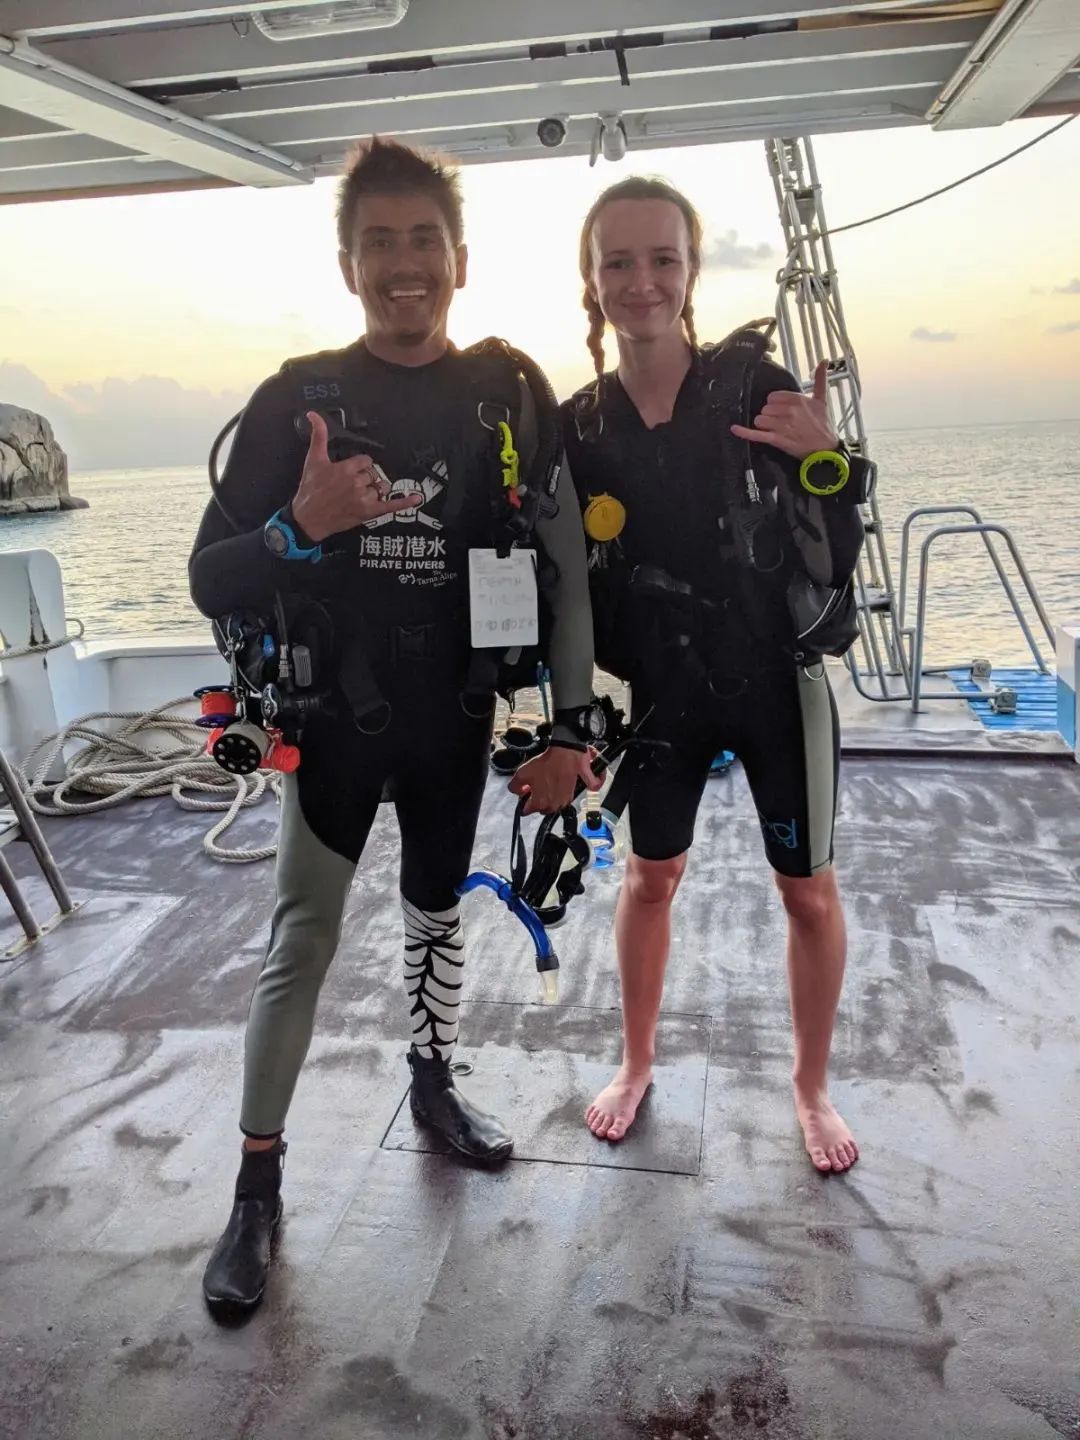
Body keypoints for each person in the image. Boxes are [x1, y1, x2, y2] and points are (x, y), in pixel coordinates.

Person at [190, 137, 599, 1314]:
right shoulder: (297, 400)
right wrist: (297, 527)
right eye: (380, 242)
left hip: (454, 718)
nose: (404, 263)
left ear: (461, 259)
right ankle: (256, 1188)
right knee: (300, 940)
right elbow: (208, 578)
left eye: (425, 239)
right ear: (348, 266)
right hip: (333, 720)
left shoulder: (507, 395)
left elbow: (566, 569)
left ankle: (432, 1080)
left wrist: (571, 726)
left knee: (435, 913)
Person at [563, 176, 874, 1174]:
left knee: (808, 895)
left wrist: (828, 458)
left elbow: (837, 537)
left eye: (663, 258)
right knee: (650, 879)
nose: (642, 281)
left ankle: (811, 1086)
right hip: (664, 694)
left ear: (692, 270)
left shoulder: (751, 390)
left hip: (776, 682)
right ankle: (636, 1061)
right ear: (590, 277)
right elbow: (552, 576)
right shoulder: (580, 426)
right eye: (618, 261)